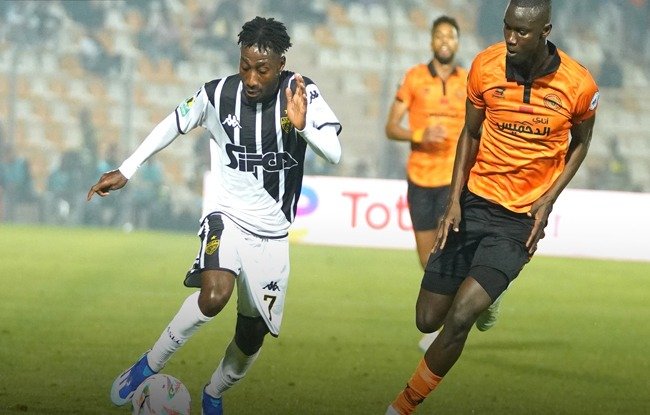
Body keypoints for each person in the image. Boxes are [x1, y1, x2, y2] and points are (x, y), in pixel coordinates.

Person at [87, 17, 342, 414]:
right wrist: (128, 168)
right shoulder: (217, 93)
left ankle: (214, 393)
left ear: (280, 65)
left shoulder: (300, 91)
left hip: (273, 235)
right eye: (245, 66)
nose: (251, 78)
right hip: (227, 216)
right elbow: (173, 123)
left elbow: (334, 152)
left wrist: (303, 125)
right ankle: (148, 365)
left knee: (251, 335)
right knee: (215, 294)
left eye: (262, 70)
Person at [386, 1, 599, 413]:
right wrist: (453, 201)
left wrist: (548, 200)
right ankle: (489, 291)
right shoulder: (485, 66)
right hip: (474, 201)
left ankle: (402, 406)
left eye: (522, 31)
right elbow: (469, 133)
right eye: (507, 28)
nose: (511, 38)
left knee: (460, 317)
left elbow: (582, 143)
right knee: (426, 319)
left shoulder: (579, 84)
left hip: (519, 218)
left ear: (545, 31)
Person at [385, 16, 501, 353]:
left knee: (450, 251)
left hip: (457, 182)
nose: (445, 41)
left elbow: (486, 125)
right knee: (429, 260)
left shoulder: (469, 79)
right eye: (440, 35)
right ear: (432, 41)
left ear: (458, 42)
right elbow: (391, 127)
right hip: (420, 180)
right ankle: (480, 295)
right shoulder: (415, 78)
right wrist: (420, 134)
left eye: (451, 36)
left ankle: (465, 310)